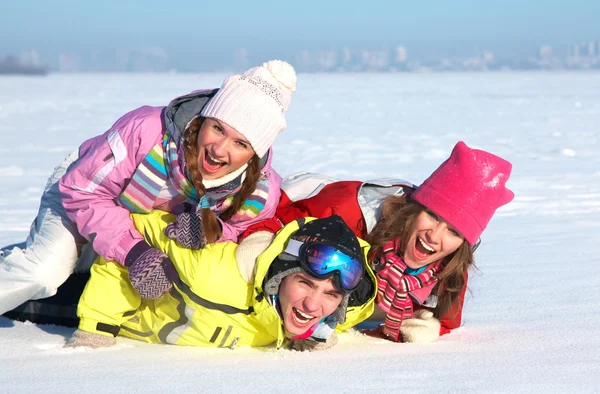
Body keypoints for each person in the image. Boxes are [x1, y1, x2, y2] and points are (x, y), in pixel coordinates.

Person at [0, 59, 297, 315]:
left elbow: (239, 229)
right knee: (46, 272)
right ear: (204, 118)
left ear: (254, 153)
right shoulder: (146, 132)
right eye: (218, 128)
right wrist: (134, 251)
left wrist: (211, 231)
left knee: (88, 274)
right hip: (85, 188)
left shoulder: (258, 191)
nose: (219, 150)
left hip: (134, 218)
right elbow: (82, 192)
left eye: (240, 143)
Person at [236, 141, 514, 343]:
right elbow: (273, 215)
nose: (435, 236)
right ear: (414, 209)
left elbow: (447, 317)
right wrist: (259, 240)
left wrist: (430, 325)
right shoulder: (348, 213)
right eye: (431, 215)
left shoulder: (449, 265)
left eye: (453, 231)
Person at [66, 213, 377, 350]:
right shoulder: (215, 271)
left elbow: (364, 309)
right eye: (305, 283)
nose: (313, 305)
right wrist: (98, 327)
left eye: (331, 294)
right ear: (280, 274)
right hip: (77, 292)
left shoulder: (329, 316)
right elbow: (133, 230)